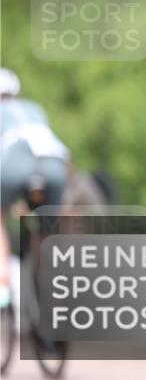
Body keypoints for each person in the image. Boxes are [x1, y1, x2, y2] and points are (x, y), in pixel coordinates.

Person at [0, 68, 71, 309]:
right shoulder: (34, 109)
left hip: (13, 167)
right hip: (54, 167)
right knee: (48, 232)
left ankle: (3, 283)